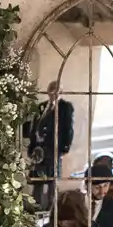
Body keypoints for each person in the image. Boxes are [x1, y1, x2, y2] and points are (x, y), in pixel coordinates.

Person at [24, 80, 76, 211]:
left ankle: (51, 209)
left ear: (61, 92)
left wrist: (65, 147)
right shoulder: (42, 106)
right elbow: (34, 125)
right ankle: (35, 207)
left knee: (52, 180)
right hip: (39, 148)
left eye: (57, 91)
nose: (54, 94)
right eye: (52, 91)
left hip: (53, 148)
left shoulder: (65, 107)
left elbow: (68, 128)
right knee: (37, 180)